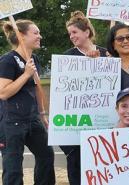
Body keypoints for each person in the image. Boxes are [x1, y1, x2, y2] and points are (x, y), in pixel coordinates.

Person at [0, 19, 55, 185]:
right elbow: (3, 92)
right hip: (11, 122)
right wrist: (25, 74)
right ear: (21, 36)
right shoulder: (7, 60)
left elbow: (37, 88)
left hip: (32, 120)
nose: (40, 36)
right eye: (35, 33)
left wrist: (42, 113)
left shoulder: (34, 59)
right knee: (13, 167)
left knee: (46, 154)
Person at [60, 11, 107, 185]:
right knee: (76, 169)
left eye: (74, 32)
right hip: (76, 126)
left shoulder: (106, 53)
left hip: (102, 124)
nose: (71, 36)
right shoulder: (67, 57)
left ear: (86, 32)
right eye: (70, 33)